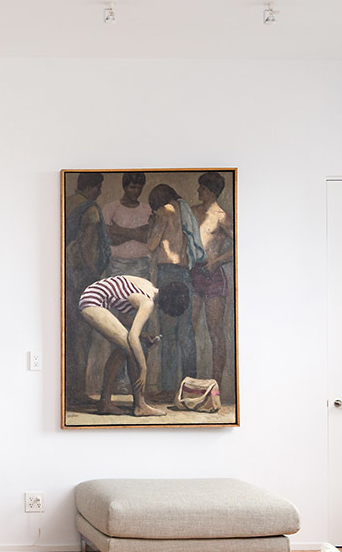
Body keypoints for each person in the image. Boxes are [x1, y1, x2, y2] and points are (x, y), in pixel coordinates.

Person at [78, 275, 190, 417]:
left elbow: (123, 317)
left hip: (91, 296)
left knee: (125, 348)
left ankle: (105, 403)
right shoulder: (148, 302)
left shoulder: (148, 286)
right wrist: (143, 368)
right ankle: (140, 406)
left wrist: (143, 335)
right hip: (92, 301)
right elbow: (132, 337)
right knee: (131, 349)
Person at [145, 184, 202, 399]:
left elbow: (152, 245)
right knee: (186, 333)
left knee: (169, 334)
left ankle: (169, 389)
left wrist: (151, 225)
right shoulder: (184, 210)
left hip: (168, 273)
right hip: (184, 273)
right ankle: (190, 387)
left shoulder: (163, 212)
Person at [64, 173, 110, 405]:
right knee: (82, 333)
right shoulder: (90, 210)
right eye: (98, 187)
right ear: (91, 187)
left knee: (69, 332)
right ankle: (79, 390)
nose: (100, 192)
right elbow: (86, 246)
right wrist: (95, 274)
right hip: (82, 274)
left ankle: (68, 388)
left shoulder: (67, 202)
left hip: (66, 273)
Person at [190, 172, 236, 390]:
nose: (199, 191)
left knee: (215, 331)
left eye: (202, 188)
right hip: (192, 273)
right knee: (189, 329)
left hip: (213, 275)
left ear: (211, 191)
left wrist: (217, 261)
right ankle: (188, 383)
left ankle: (215, 385)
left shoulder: (222, 216)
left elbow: (241, 245)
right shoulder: (193, 212)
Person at [101, 172, 152, 280]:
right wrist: (138, 232)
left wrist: (119, 230)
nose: (136, 191)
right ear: (124, 187)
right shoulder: (110, 208)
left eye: (139, 188)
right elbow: (111, 239)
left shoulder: (147, 209)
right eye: (132, 187)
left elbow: (148, 237)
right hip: (117, 264)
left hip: (142, 264)